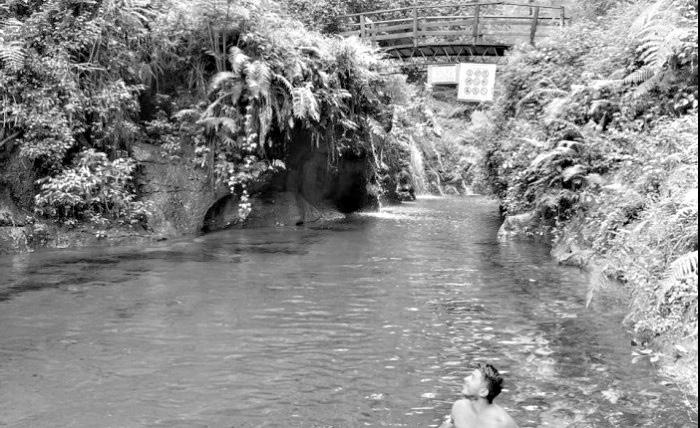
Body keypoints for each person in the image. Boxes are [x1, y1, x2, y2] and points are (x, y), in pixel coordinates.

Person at [439, 363, 518, 428]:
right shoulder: (459, 407)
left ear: (483, 392)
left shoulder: (501, 423)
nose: (466, 379)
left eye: (473, 378)